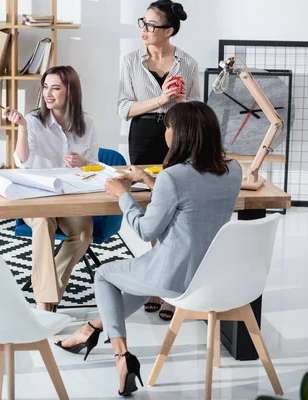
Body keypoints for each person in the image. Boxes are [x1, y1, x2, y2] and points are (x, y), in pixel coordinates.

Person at [56, 101, 242, 396]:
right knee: (135, 283)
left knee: (105, 275)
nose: (165, 133)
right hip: (211, 275)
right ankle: (91, 330)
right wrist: (150, 180)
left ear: (180, 134)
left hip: (173, 277)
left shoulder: (174, 177)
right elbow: (193, 200)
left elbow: (146, 231)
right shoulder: (233, 170)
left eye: (167, 127)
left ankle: (121, 358)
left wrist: (123, 196)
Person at [117, 0, 200, 321]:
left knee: (176, 208)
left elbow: (195, 108)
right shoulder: (129, 61)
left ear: (169, 30)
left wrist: (178, 98)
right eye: (143, 22)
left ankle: (173, 286)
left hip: (177, 135)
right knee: (154, 208)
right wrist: (160, 99)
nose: (144, 29)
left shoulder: (187, 63)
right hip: (143, 134)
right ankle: (157, 283)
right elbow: (124, 107)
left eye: (151, 25)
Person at [4, 65, 99, 312]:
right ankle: (44, 306)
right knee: (44, 223)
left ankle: (47, 293)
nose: (48, 93)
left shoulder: (87, 122)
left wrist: (84, 162)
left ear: (71, 91)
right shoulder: (34, 120)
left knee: (83, 234)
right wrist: (22, 128)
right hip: (35, 195)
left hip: (70, 196)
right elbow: (22, 162)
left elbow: (96, 166)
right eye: (46, 87)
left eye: (55, 88)